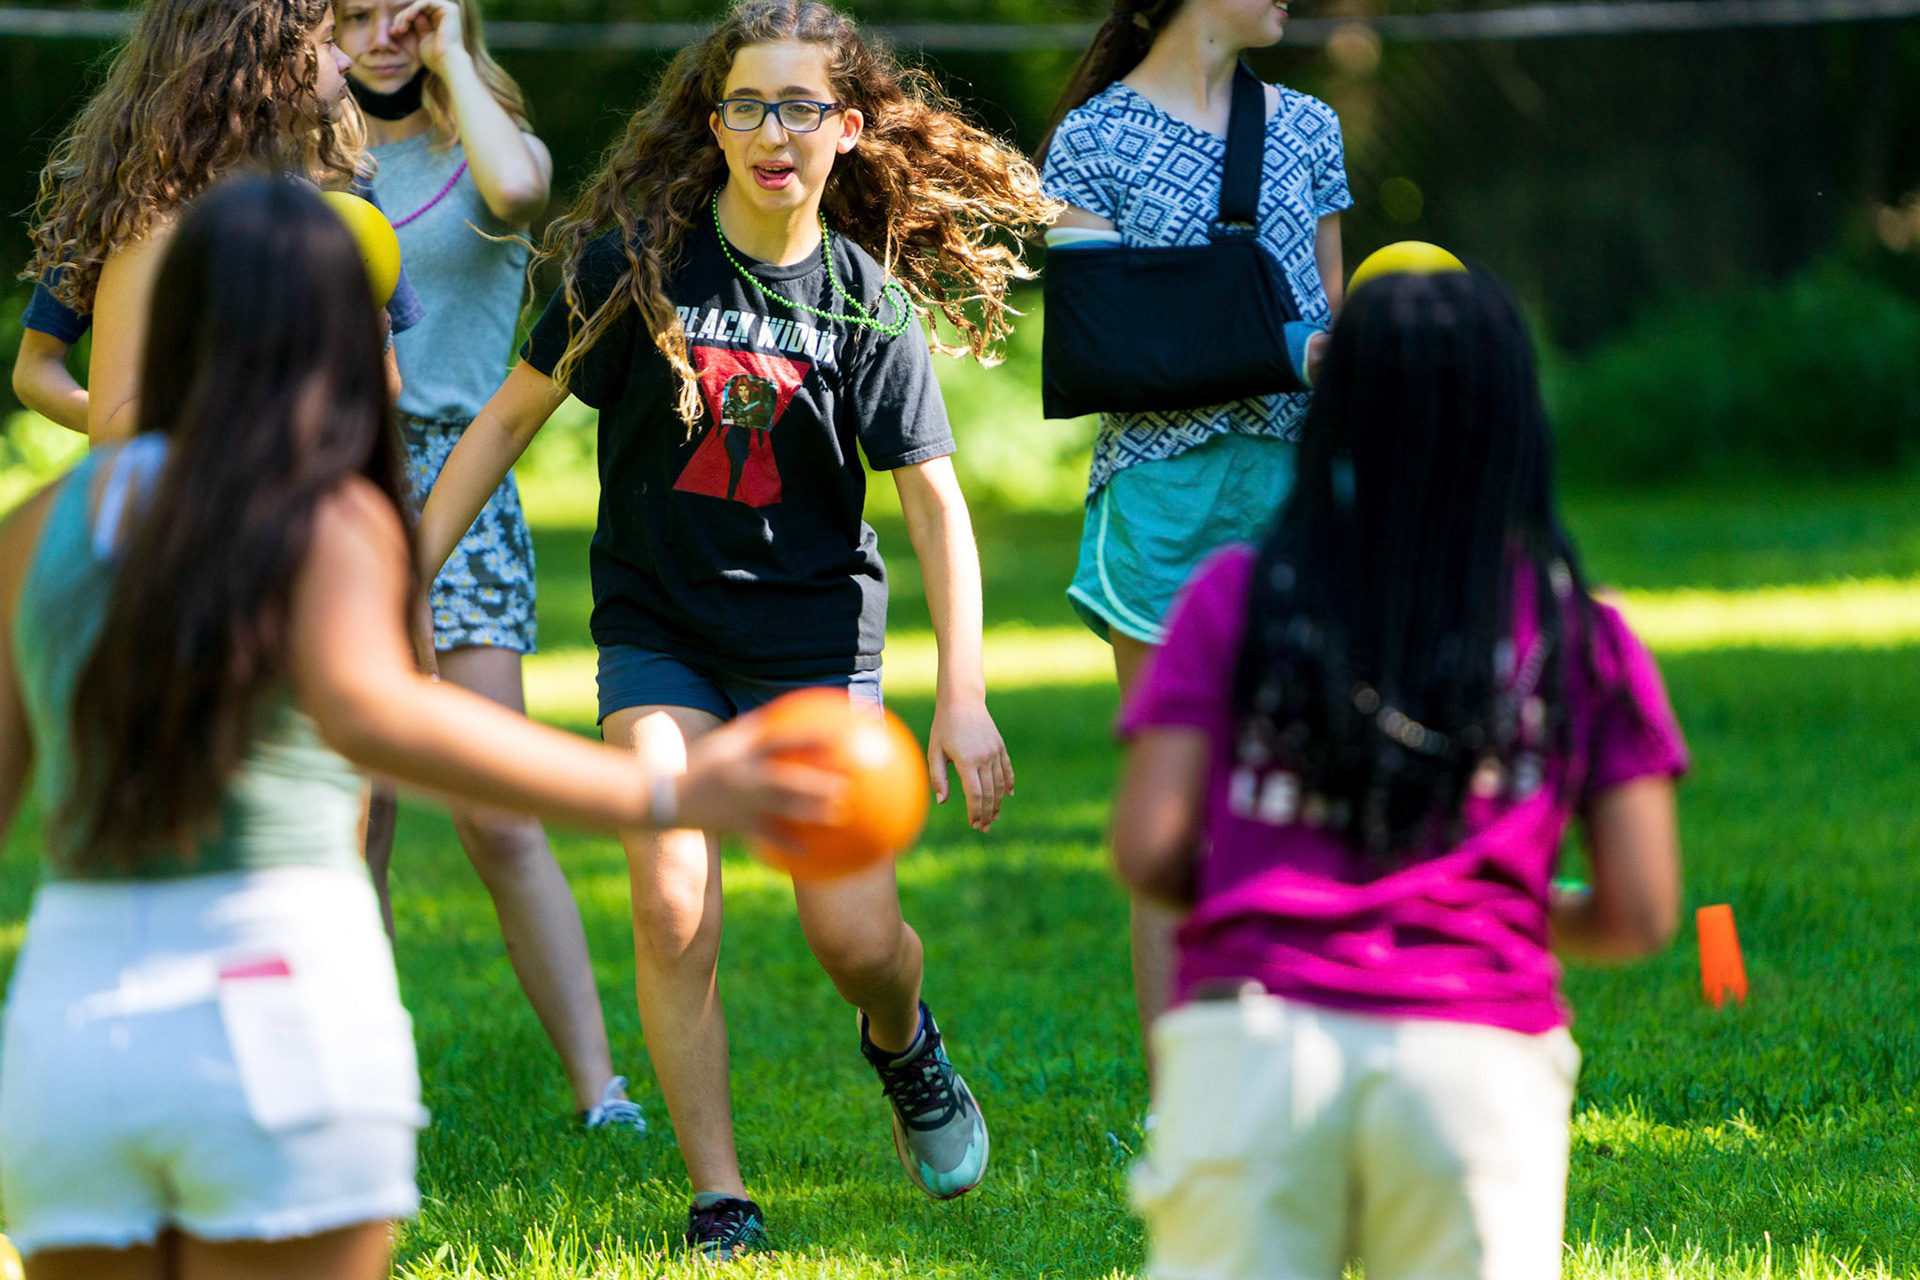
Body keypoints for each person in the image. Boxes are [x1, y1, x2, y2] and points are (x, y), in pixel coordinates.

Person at [0, 177, 842, 1280]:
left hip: (72, 1031)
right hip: (274, 1028)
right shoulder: (331, 517)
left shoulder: (40, 524)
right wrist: (665, 790)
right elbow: (382, 710)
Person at [410, 0, 1055, 1255]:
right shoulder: (632, 267)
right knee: (670, 885)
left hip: (815, 654)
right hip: (663, 635)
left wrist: (962, 694)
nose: (774, 131)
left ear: (848, 129)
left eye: (802, 107)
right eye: (748, 105)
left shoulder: (867, 307)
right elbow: (500, 425)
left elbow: (937, 508)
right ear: (713, 124)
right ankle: (721, 1191)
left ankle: (903, 1041)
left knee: (857, 939)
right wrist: (405, 578)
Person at [1109, 269, 1687, 1280]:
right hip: (1474, 1063)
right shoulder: (1578, 633)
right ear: (1518, 421)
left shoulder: (1235, 596)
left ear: (1333, 416)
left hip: (1257, 1047)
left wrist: (1273, 884)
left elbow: (1148, 846)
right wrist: (1491, 898)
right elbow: (1641, 911)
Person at [1035, 0, 1354, 1073]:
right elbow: (1102, 348)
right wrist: (1280, 346)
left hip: (1292, 494)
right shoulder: (1091, 138)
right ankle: (1188, 1098)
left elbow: (1331, 328)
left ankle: (1290, 1064)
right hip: (1163, 502)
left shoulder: (1306, 126)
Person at [335, 0, 637, 1131]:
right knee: (353, 816)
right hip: (330, 486)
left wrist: (454, 49)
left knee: (497, 812)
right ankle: (358, 1081)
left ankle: (598, 1086)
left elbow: (518, 197)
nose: (379, 35)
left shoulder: (489, 154)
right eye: (350, 15)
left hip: (460, 491)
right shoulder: (299, 159)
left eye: (401, 12)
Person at [17, 0, 420, 443]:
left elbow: (385, 388)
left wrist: (364, 315)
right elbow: (112, 426)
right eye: (327, 42)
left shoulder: (329, 199)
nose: (346, 60)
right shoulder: (161, 226)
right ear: (263, 60)